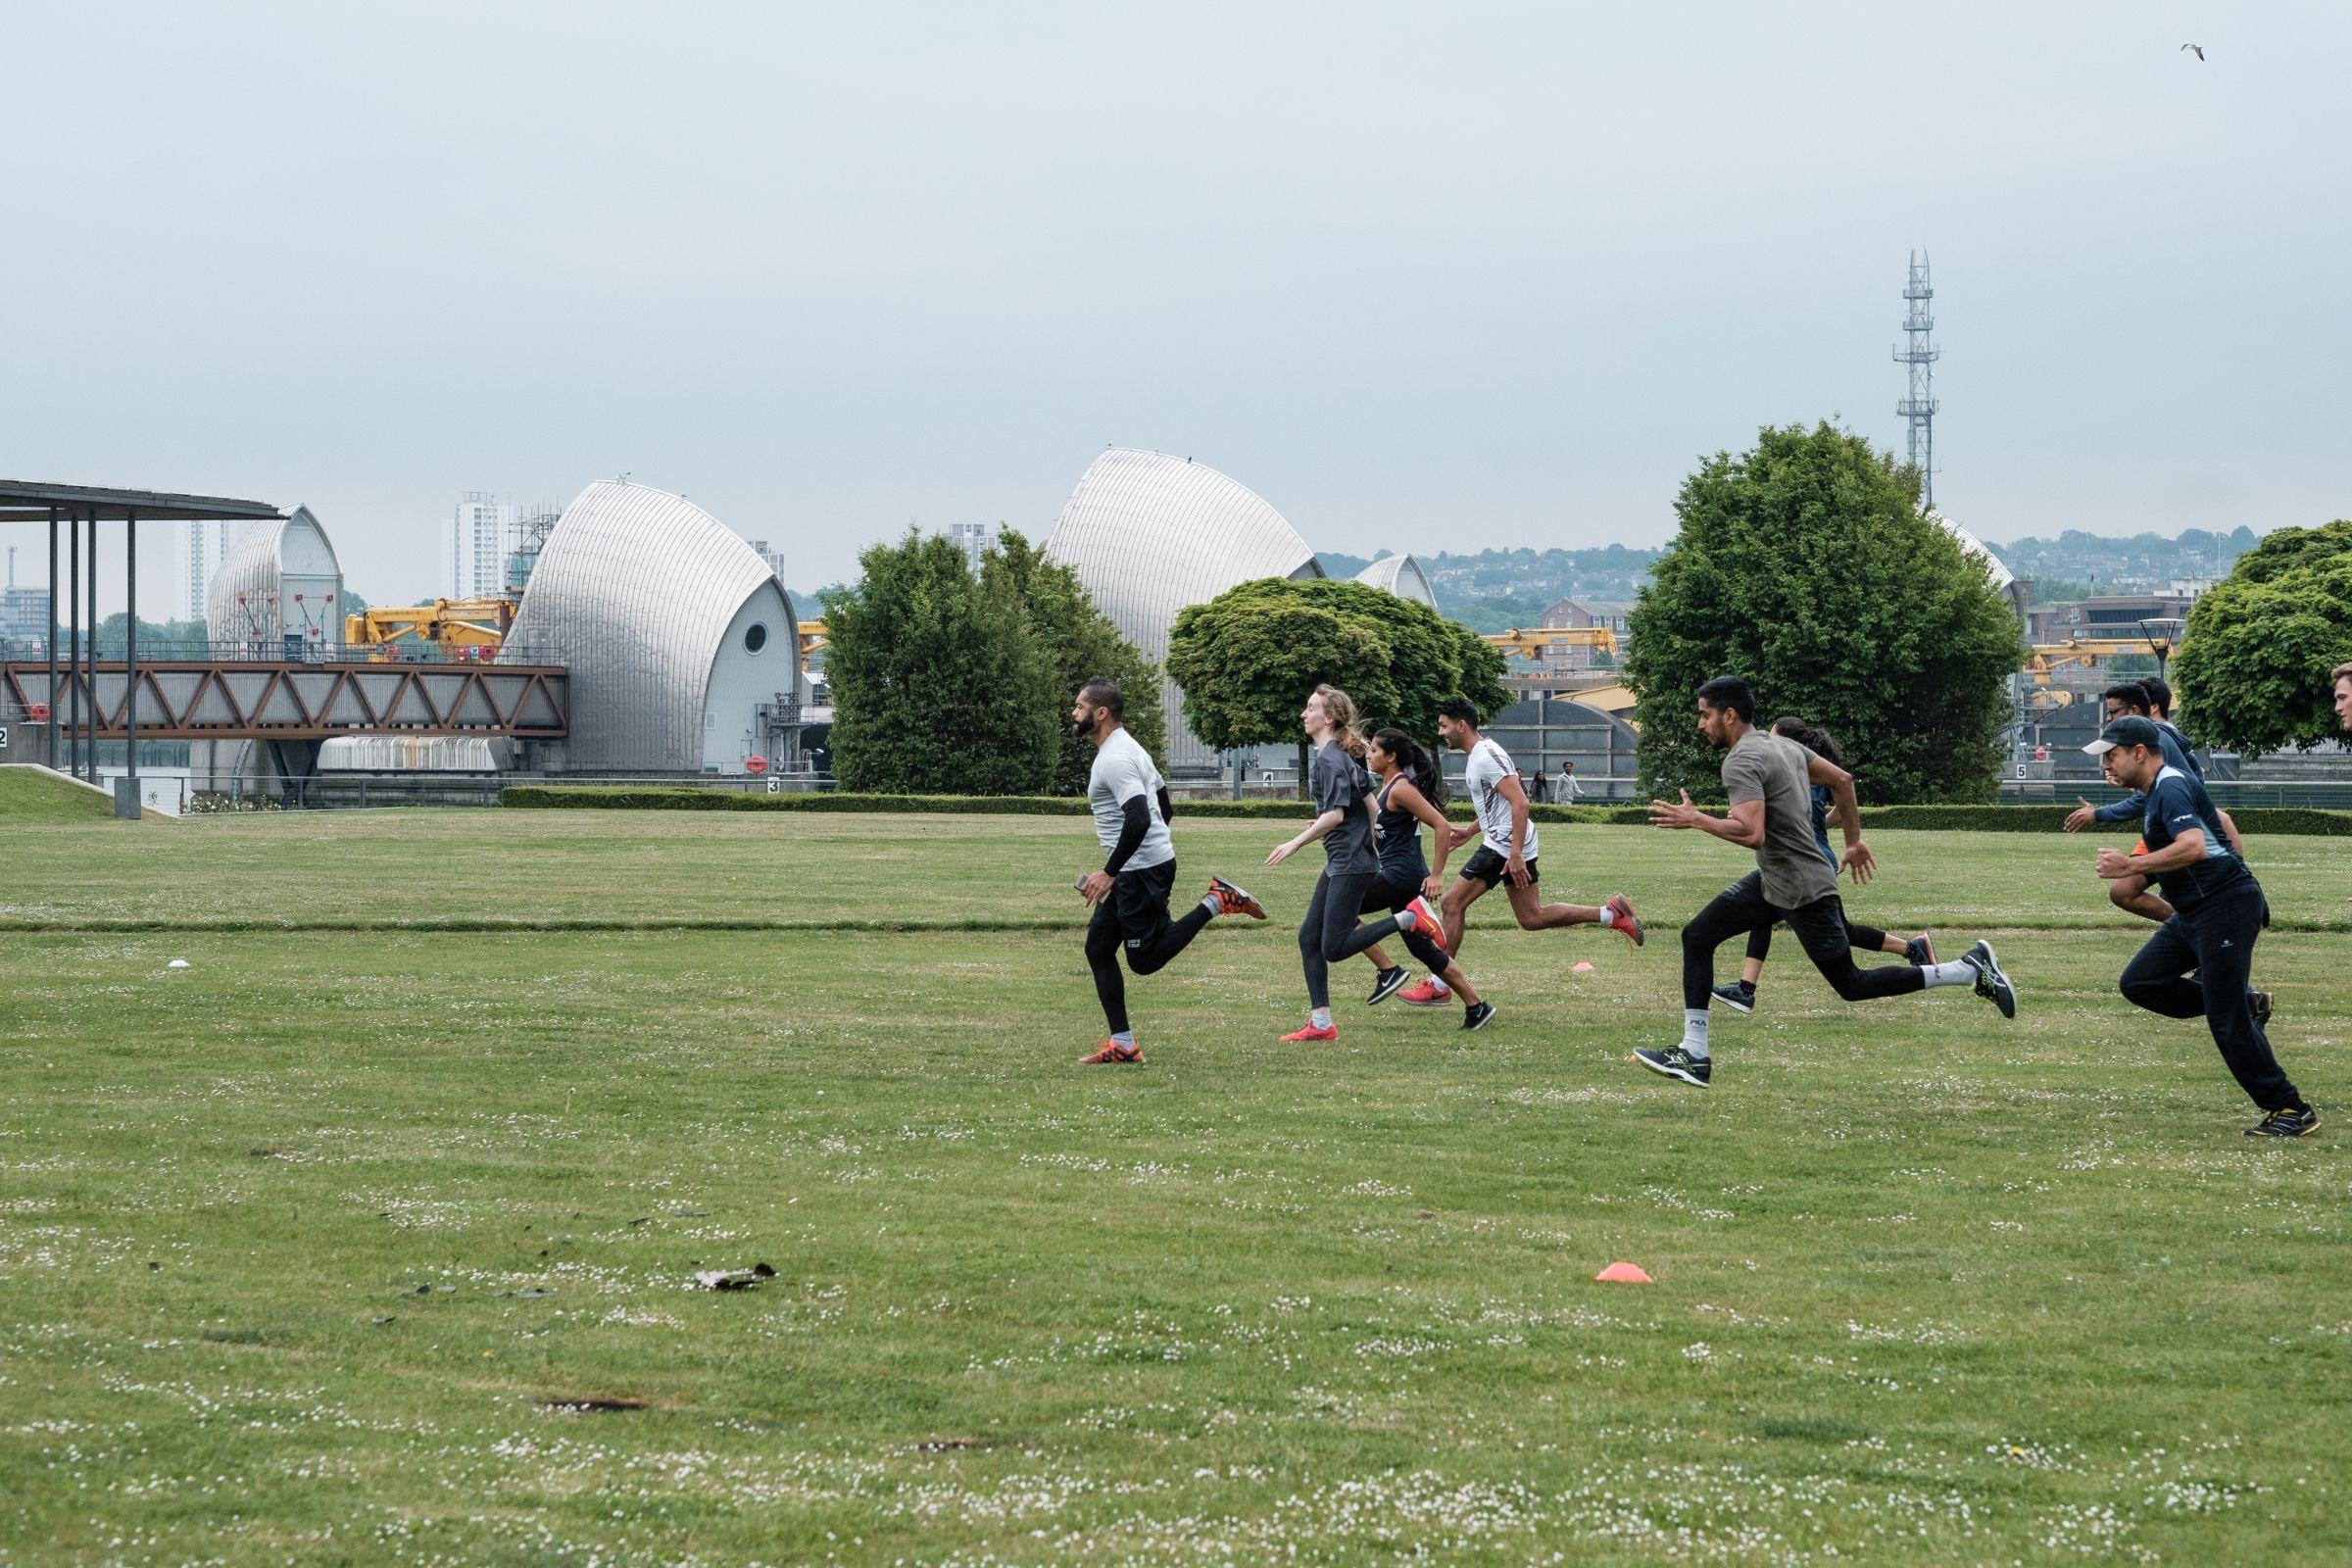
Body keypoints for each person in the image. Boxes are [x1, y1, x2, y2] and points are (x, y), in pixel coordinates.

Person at [1635, 675, 2015, 1089]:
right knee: (1697, 935)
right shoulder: (1785, 746)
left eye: (1705, 715)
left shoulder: (1741, 760)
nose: (1700, 725)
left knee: (1852, 984)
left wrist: (1696, 820)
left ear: (1729, 715)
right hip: (1775, 881)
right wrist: (1853, 842)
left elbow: (1751, 833)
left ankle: (1966, 970)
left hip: (1800, 886)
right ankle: (1694, 1054)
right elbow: (1843, 782)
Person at [2089, 715, 2316, 1137]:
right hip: (2195, 912)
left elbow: (2192, 848)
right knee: (2140, 982)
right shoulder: (2154, 789)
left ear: (2139, 753)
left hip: (2225, 906)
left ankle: (2289, 1109)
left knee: (2226, 1021)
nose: (2106, 765)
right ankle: (2242, 1003)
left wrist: (2130, 865)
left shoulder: (2171, 786)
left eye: (2112, 756)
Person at [1396, 698, 1642, 1006]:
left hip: (1505, 844)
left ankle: (1439, 984)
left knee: (1451, 903)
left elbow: (1520, 802)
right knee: (1531, 916)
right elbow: (1499, 802)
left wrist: (1513, 854)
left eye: (1444, 726)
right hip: (1507, 841)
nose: (1441, 732)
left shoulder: (1486, 755)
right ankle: (1611, 914)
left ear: (1462, 725)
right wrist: (1472, 831)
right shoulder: (1479, 755)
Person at [1073, 678, 1266, 1064]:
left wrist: (1112, 872)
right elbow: (1162, 797)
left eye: (1079, 706)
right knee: (1098, 948)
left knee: (1144, 961)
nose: (1073, 713)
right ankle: (1124, 1044)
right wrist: (1156, 845)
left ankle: (1217, 900)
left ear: (1100, 713)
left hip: (1138, 872)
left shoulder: (1115, 757)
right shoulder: (1127, 747)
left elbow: (1141, 815)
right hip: (1142, 866)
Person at [1710, 715, 1933, 1014]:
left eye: (1773, 739)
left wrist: (1743, 819)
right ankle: (1912, 947)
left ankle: (1745, 990)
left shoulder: (1793, 776)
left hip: (1803, 866)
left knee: (1772, 920)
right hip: (1808, 861)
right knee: (1838, 930)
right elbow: (1841, 803)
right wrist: (1823, 827)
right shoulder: (1809, 776)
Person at [1265, 685, 1446, 1044]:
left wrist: (1295, 843)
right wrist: (1368, 839)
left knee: (1333, 947)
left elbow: (1334, 814)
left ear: (1328, 718)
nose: (1304, 714)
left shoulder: (1330, 759)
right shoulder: (1345, 756)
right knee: (1308, 937)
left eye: (1310, 707)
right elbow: (1371, 807)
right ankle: (1321, 1023)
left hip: (1349, 862)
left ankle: (1408, 919)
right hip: (1345, 860)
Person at [2065, 681, 2246, 926]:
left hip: (2176, 829)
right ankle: (2192, 927)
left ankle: (2197, 927)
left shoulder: (2156, 742)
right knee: (2125, 893)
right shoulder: (2159, 739)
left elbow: (2167, 794)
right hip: (2165, 827)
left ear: (2134, 712)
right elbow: (2190, 780)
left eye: (2113, 712)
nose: (2109, 718)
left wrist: (2097, 815)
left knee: (2131, 892)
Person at [1351, 727, 1496, 1030]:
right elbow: (1383, 837)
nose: (1370, 755)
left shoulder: (1401, 788)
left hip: (1402, 875)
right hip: (1398, 875)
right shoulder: (1387, 788)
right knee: (1423, 950)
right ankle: (1477, 1006)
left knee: (1340, 910)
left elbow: (1442, 826)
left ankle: (1388, 970)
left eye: (1375, 751)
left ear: (1391, 757)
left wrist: (1437, 874)